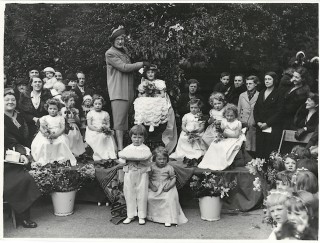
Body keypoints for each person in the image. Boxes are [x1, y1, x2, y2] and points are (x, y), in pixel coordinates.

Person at [105, 26, 149, 151]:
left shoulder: (124, 51)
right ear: (113, 40)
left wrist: (141, 69)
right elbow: (124, 67)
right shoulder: (110, 53)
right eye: (118, 39)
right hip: (118, 91)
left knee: (124, 121)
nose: (120, 41)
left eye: (122, 39)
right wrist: (141, 63)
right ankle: (119, 149)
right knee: (119, 122)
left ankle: (124, 147)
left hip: (128, 91)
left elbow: (129, 68)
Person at [4, 88, 41, 228]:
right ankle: (23, 216)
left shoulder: (19, 116)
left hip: (18, 153)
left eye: (13, 99)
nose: (10, 102)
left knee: (25, 176)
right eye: (6, 99)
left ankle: (23, 213)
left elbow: (22, 139)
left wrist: (25, 153)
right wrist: (18, 153)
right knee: (18, 179)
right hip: (6, 157)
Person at [136, 64, 177, 153]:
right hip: (147, 101)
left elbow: (162, 94)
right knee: (141, 102)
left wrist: (155, 95)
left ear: (155, 73)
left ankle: (153, 123)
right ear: (146, 74)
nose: (150, 74)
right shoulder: (144, 82)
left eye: (152, 72)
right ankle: (142, 120)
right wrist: (144, 95)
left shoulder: (159, 82)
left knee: (157, 104)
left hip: (157, 100)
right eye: (148, 72)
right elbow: (140, 94)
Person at [118, 125, 152, 225]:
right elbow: (121, 159)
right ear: (131, 137)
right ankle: (130, 215)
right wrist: (128, 159)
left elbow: (147, 159)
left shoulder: (145, 149)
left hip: (142, 173)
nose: (137, 139)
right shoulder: (127, 148)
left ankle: (142, 216)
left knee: (142, 193)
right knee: (129, 193)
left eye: (140, 137)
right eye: (134, 137)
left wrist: (137, 159)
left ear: (144, 138)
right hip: (130, 172)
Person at [147, 146, 188, 227]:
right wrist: (152, 186)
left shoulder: (169, 167)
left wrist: (169, 186)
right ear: (154, 159)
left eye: (164, 159)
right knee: (149, 197)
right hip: (155, 186)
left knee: (168, 198)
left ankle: (168, 218)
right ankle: (154, 216)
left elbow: (173, 178)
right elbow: (147, 178)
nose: (162, 161)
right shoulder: (152, 167)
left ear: (167, 159)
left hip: (166, 185)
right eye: (159, 159)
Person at [198, 104, 246, 171]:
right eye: (227, 116)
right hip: (225, 138)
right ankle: (214, 162)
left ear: (235, 115)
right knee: (215, 144)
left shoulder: (237, 123)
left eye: (231, 116)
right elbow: (221, 132)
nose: (229, 118)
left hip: (234, 139)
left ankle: (223, 163)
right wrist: (220, 136)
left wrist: (226, 134)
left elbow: (236, 135)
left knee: (224, 147)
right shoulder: (224, 122)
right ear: (225, 115)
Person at [31, 98, 77, 166]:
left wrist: (56, 135)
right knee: (44, 143)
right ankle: (45, 158)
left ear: (58, 109)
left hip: (58, 134)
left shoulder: (61, 118)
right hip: (46, 135)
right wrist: (45, 133)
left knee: (62, 142)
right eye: (50, 108)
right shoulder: (44, 118)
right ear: (47, 109)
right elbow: (41, 127)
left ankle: (61, 158)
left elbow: (62, 128)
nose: (52, 110)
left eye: (54, 109)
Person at [253, 72, 284, 160]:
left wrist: (267, 123)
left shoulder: (279, 93)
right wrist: (258, 122)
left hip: (272, 128)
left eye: (269, 79)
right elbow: (256, 109)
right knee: (259, 152)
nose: (267, 81)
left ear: (274, 80)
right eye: (265, 79)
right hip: (260, 127)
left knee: (269, 152)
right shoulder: (262, 92)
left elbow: (280, 112)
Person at [18, 76, 52, 146]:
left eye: (39, 82)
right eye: (35, 82)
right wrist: (34, 119)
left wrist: (43, 120)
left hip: (45, 124)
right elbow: (22, 112)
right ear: (31, 84)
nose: (37, 84)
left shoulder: (47, 94)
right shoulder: (25, 95)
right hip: (29, 125)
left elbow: (52, 108)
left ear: (42, 84)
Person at [85, 95, 117, 161]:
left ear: (102, 104)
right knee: (100, 137)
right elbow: (89, 125)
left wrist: (105, 128)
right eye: (95, 104)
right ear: (93, 104)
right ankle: (100, 155)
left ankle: (108, 154)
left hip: (103, 130)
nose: (97, 105)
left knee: (107, 136)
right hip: (93, 130)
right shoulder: (90, 113)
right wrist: (97, 130)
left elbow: (108, 124)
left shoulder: (105, 113)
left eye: (99, 104)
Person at [237, 75, 259, 155]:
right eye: (247, 84)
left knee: (252, 145)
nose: (248, 85)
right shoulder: (242, 95)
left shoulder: (259, 95)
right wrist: (238, 122)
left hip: (253, 122)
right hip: (242, 122)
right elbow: (239, 109)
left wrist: (255, 122)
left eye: (250, 83)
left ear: (256, 84)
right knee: (241, 144)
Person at [61, 91, 86, 157]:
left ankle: (76, 153)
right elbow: (62, 119)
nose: (73, 102)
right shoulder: (63, 109)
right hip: (66, 126)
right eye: (71, 100)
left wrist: (75, 114)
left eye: (73, 100)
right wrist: (67, 111)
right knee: (69, 137)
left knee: (75, 137)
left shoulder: (75, 110)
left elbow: (78, 121)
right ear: (66, 101)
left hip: (74, 125)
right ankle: (69, 153)